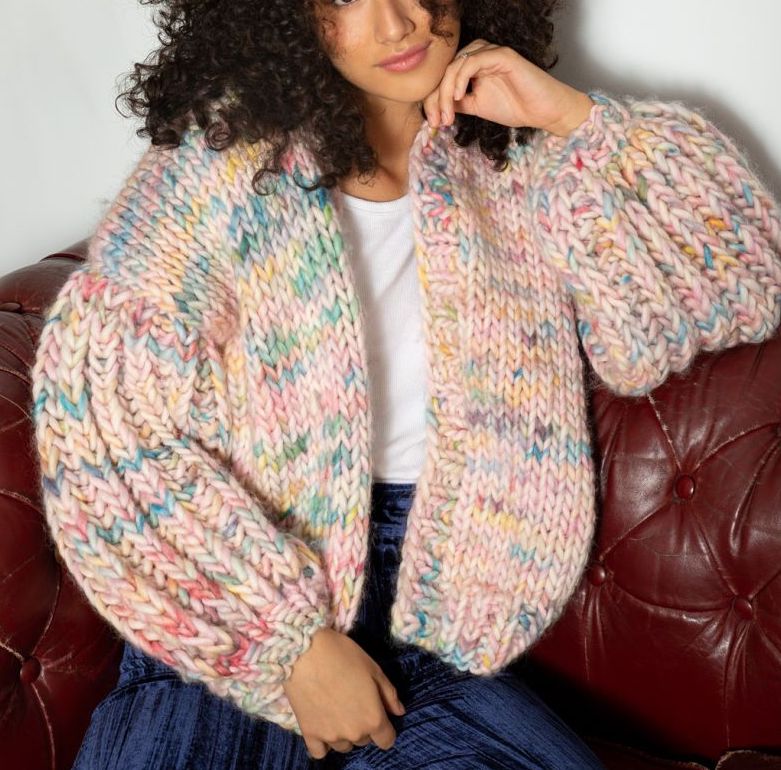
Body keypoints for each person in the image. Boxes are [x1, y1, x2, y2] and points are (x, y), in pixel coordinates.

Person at [32, 0, 781, 767]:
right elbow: (99, 422)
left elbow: (738, 283)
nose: (398, 22)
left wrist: (572, 119)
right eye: (344, 0)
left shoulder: (520, 160)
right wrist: (287, 644)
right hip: (234, 599)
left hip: (438, 628)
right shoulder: (216, 169)